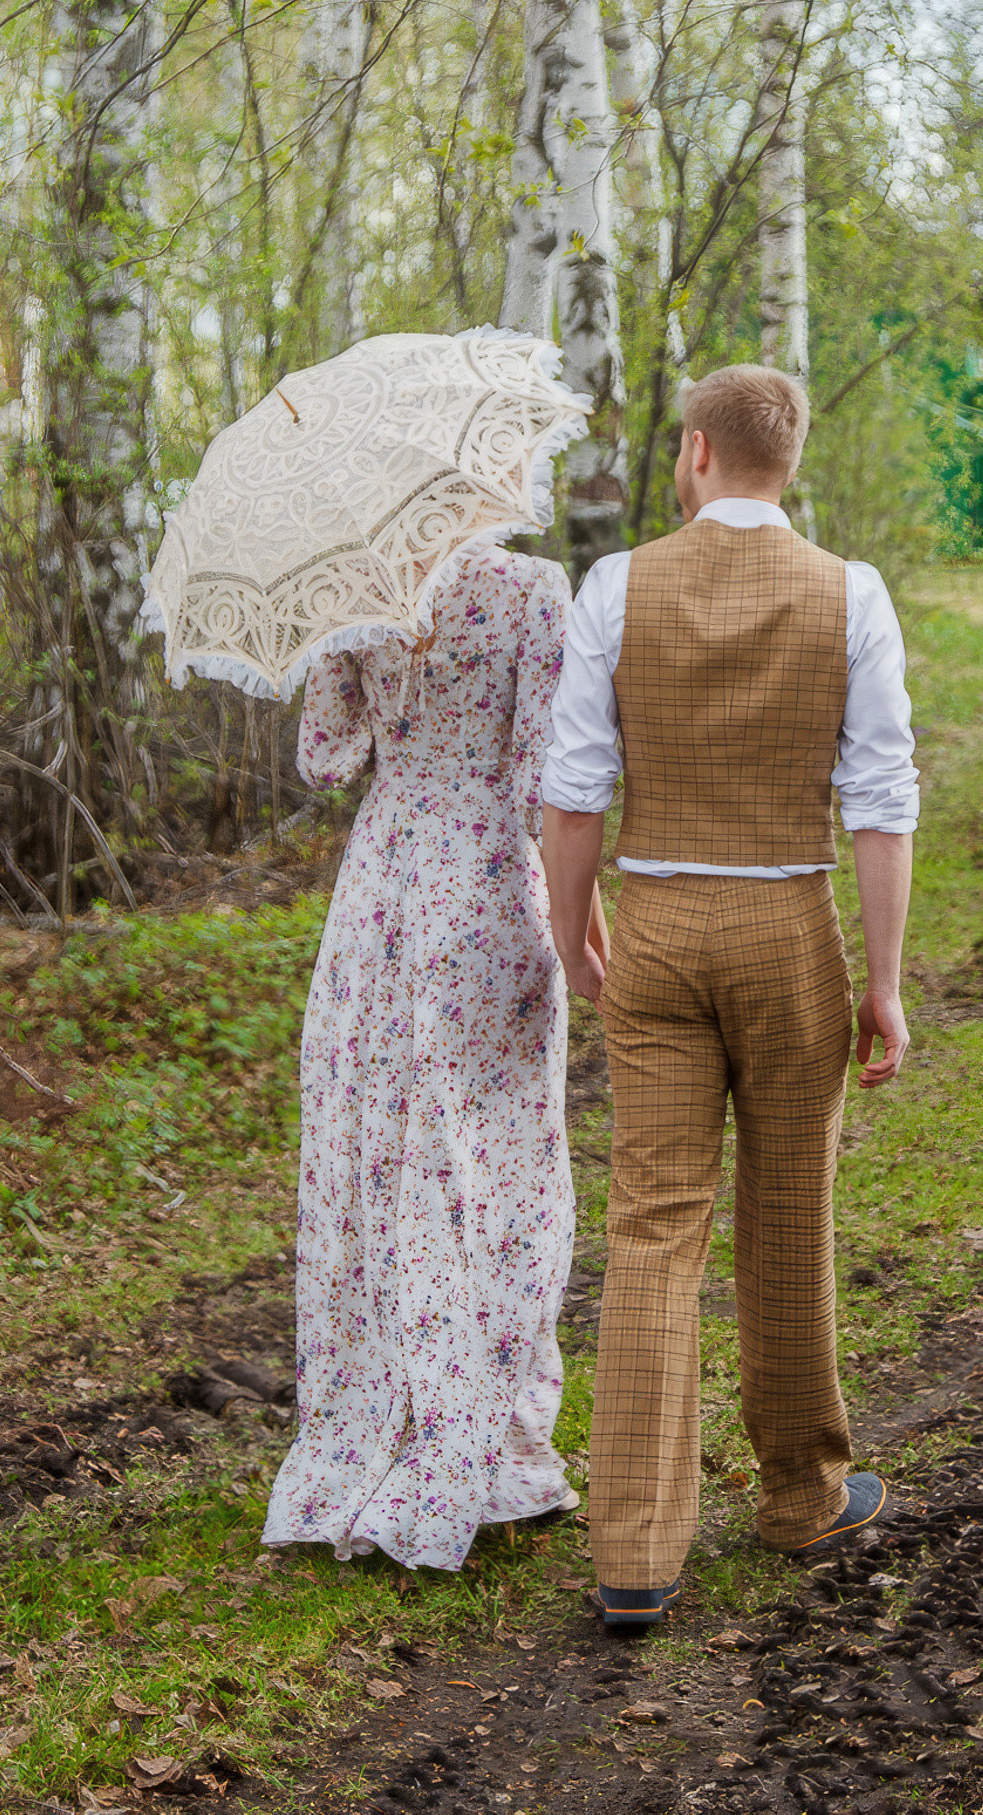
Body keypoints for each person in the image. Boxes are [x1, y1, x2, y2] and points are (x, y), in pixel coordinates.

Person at [540, 363, 918, 1635]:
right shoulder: (849, 594)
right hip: (787, 926)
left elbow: (575, 783)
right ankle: (804, 1495)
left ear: (696, 451)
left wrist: (569, 927)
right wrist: (886, 979)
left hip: (651, 931)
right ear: (788, 459)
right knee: (787, 1211)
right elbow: (879, 802)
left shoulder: (616, 585)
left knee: (652, 1223)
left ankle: (636, 1548)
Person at [262, 542, 610, 1571]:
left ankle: (393, 1415)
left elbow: (325, 759)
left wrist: (343, 648)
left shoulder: (351, 596)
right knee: (498, 1154)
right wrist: (589, 921)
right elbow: (550, 766)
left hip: (383, 886)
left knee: (377, 1155)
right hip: (492, 878)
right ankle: (491, 1435)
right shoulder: (530, 589)